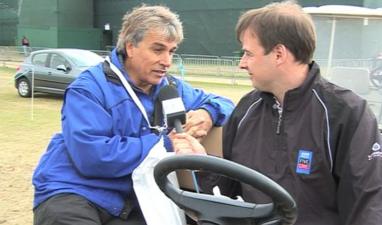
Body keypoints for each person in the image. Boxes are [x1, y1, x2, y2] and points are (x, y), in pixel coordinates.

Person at [173, 1, 382, 225]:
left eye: (248, 53)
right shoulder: (245, 110)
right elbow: (227, 190)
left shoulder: (346, 113)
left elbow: (372, 203)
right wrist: (202, 164)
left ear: (279, 54)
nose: (242, 63)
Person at [32, 5, 234, 225]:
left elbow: (224, 103)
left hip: (136, 196)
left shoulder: (171, 88)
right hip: (76, 191)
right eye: (158, 50)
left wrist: (208, 112)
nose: (167, 61)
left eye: (171, 51)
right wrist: (166, 143)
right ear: (130, 47)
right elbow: (91, 157)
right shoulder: (89, 89)